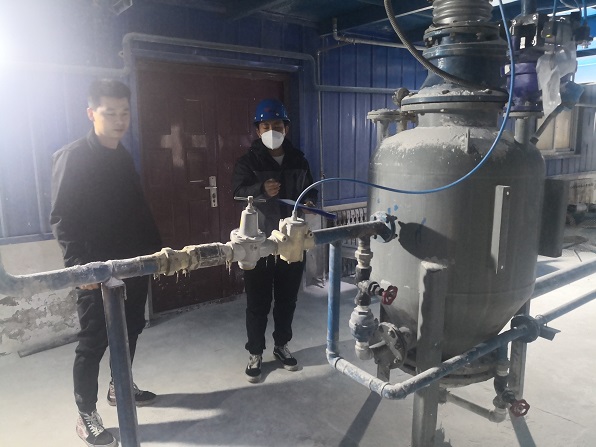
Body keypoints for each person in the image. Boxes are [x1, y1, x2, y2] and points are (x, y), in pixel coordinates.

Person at [50, 79, 162, 447]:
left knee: (131, 328)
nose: (119, 120)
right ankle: (86, 414)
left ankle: (120, 386)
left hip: (131, 264)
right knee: (94, 340)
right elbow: (61, 217)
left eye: (124, 112)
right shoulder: (73, 157)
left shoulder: (122, 155)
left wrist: (154, 252)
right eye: (109, 112)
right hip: (95, 270)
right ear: (91, 113)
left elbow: (137, 209)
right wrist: (79, 266)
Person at [232, 98, 318, 383]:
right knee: (257, 302)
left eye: (277, 125)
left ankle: (282, 345)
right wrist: (260, 189)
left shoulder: (298, 159)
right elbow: (237, 192)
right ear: (257, 130)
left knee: (287, 299)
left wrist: (310, 201)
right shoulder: (248, 161)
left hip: (291, 242)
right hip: (259, 242)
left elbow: (311, 189)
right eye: (266, 126)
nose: (272, 130)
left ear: (286, 128)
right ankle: (255, 352)